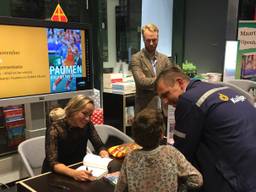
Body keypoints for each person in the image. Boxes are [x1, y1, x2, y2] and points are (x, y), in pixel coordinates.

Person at [155, 66, 256, 192]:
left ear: (180, 83)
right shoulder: (224, 89)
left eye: (166, 94)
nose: (164, 101)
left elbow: (181, 154)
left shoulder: (189, 100)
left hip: (235, 178)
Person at [115, 108, 203, 192]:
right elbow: (197, 180)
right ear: (161, 134)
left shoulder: (130, 158)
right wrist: (181, 187)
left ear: (134, 137)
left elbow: (119, 189)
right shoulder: (171, 152)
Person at [42, 95, 109, 181]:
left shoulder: (88, 125)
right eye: (84, 113)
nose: (87, 118)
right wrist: (73, 173)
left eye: (90, 115)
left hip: (79, 169)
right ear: (73, 110)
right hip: (57, 174)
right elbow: (52, 162)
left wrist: (103, 153)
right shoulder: (55, 128)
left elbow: (99, 145)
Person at [131, 23, 175, 114]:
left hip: (164, 109)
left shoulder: (164, 59)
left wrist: (151, 81)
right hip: (145, 110)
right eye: (148, 40)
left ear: (158, 39)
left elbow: (171, 79)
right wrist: (162, 80)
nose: (151, 43)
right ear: (143, 40)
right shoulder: (136, 58)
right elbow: (141, 82)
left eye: (154, 40)